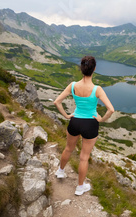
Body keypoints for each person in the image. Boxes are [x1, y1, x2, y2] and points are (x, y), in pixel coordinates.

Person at [53, 55, 115, 196]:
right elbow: (111, 109)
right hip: (90, 124)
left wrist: (66, 115)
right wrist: (101, 119)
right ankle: (80, 187)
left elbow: (57, 101)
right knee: (84, 157)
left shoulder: (73, 85)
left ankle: (60, 171)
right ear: (94, 69)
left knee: (68, 148)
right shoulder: (97, 89)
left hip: (75, 121)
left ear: (82, 69)